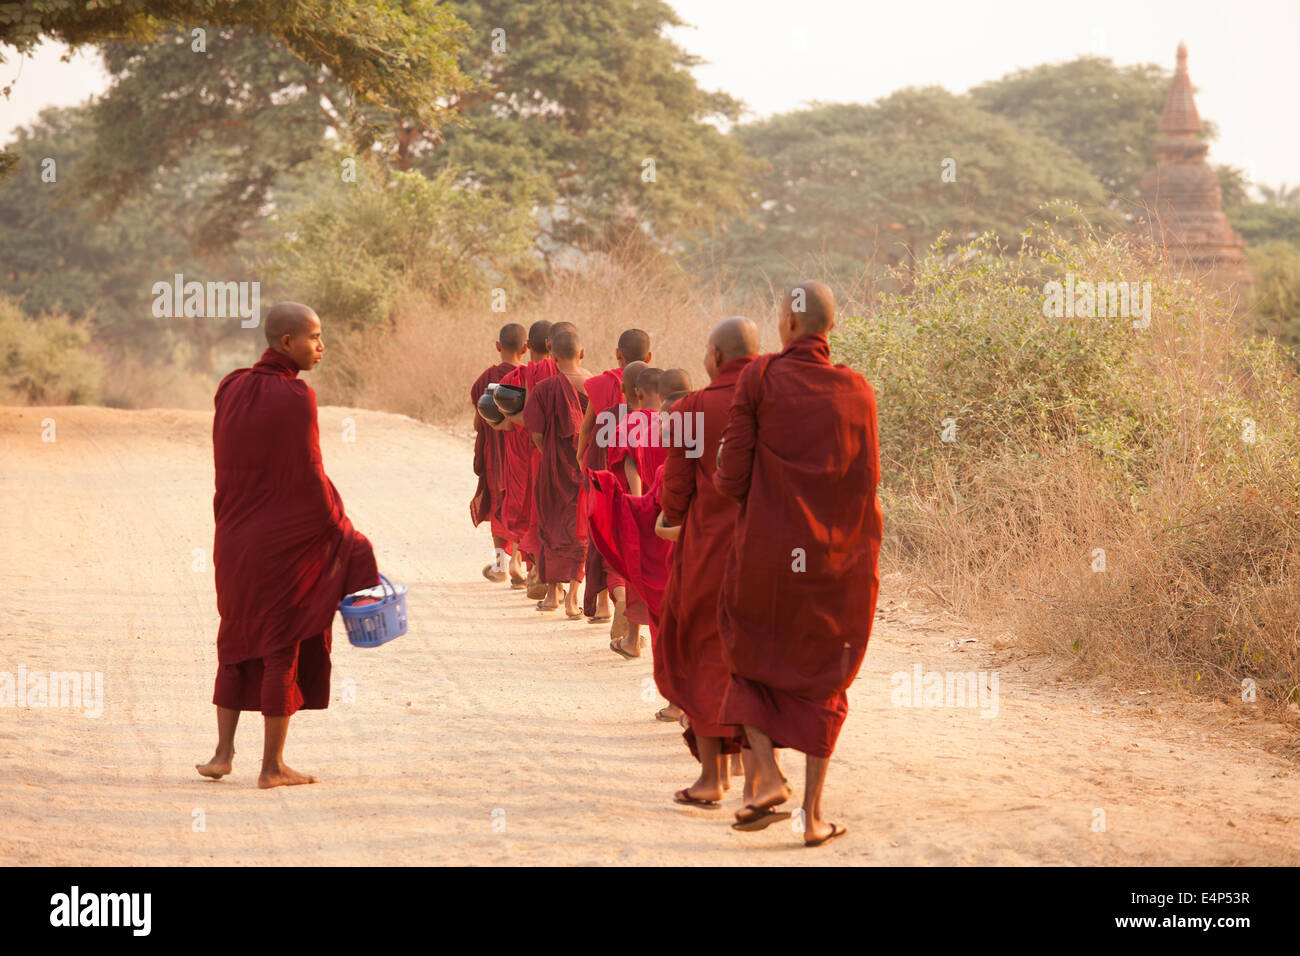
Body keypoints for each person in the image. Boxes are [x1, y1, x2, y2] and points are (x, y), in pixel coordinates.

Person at [714, 282, 881, 847]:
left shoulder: (760, 377)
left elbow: (732, 477)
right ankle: (811, 818)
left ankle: (766, 773)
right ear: (828, 328)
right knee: (822, 676)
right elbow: (868, 484)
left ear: (788, 322)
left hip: (766, 553)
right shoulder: (859, 391)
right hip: (837, 561)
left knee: (746, 651)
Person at [197, 302, 379, 789]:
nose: (322, 346)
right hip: (280, 545)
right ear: (286, 343)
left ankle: (221, 754)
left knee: (235, 638)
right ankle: (272, 767)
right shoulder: (298, 397)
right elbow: (309, 476)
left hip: (233, 539)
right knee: (281, 645)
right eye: (314, 337)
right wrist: (345, 535)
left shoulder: (229, 387)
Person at [655, 319, 761, 808]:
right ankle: (756, 771)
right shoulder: (776, 403)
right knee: (756, 654)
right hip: (769, 551)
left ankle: (714, 776)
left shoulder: (692, 410)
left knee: (704, 648)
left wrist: (672, 516)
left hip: (710, 549)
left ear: (716, 355)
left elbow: (676, 487)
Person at [576, 330, 652, 620]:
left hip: (603, 469)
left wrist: (580, 454)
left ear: (617, 354)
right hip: (637, 482)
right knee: (626, 537)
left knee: (601, 532)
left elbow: (587, 426)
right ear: (649, 358)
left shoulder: (599, 385)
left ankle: (611, 601)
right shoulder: (653, 388)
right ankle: (620, 600)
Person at [523, 328, 592, 618]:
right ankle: (573, 598)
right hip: (586, 469)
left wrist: (552, 452)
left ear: (552, 356)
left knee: (551, 526)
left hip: (553, 469)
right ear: (582, 353)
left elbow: (536, 433)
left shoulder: (544, 388)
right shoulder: (595, 385)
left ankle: (552, 595)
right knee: (580, 530)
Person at [493, 321, 557, 595]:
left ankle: (522, 566)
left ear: (528, 347)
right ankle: (542, 576)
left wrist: (506, 420)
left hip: (522, 453)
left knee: (524, 510)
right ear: (552, 346)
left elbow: (501, 423)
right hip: (554, 454)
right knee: (549, 512)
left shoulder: (512, 380)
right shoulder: (562, 375)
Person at [471, 323, 528, 585]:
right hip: (523, 455)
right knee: (521, 504)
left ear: (498, 346)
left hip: (495, 454)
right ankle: (518, 558)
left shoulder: (488, 378)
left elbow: (477, 422)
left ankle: (499, 565)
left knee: (497, 505)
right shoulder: (529, 377)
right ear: (526, 349)